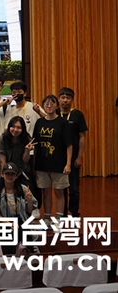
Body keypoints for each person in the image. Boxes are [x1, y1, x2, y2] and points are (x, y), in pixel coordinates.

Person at [29, 94, 73, 222]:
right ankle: (47, 218)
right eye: (46, 103)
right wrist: (34, 164)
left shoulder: (63, 122)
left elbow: (69, 145)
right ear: (43, 106)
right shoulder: (39, 122)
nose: (49, 106)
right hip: (42, 164)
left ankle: (58, 220)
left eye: (52, 103)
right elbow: (36, 144)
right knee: (46, 192)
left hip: (59, 164)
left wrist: (68, 163)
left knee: (59, 192)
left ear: (57, 105)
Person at [0, 162, 37, 256]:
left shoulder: (23, 189)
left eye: (12, 174)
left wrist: (29, 200)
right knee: (14, 232)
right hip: (5, 222)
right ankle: (12, 256)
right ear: (2, 175)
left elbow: (29, 211)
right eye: (7, 174)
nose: (10, 176)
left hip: (21, 220)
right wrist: (9, 223)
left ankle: (29, 254)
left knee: (25, 230)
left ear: (16, 176)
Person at [58, 87, 88, 217]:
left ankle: (74, 212)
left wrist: (80, 156)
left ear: (72, 99)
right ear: (59, 99)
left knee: (74, 188)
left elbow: (82, 136)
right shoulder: (55, 113)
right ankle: (63, 213)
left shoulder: (77, 115)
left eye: (68, 98)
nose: (65, 100)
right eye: (63, 97)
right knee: (61, 188)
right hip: (58, 157)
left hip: (74, 156)